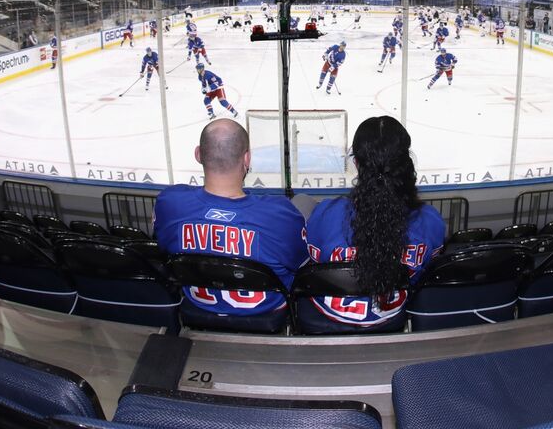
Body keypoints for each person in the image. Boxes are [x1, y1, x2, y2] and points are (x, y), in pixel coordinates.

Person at [153, 119, 306, 320]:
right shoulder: (279, 214)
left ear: (198, 154)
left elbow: (163, 247)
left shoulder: (169, 202)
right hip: (266, 313)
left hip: (199, 307)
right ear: (247, 159)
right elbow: (300, 262)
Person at [302, 116, 445, 328]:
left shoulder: (326, 213)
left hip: (329, 315)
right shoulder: (430, 219)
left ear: (356, 163)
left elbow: (313, 259)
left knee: (301, 202)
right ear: (405, 163)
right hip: (391, 317)